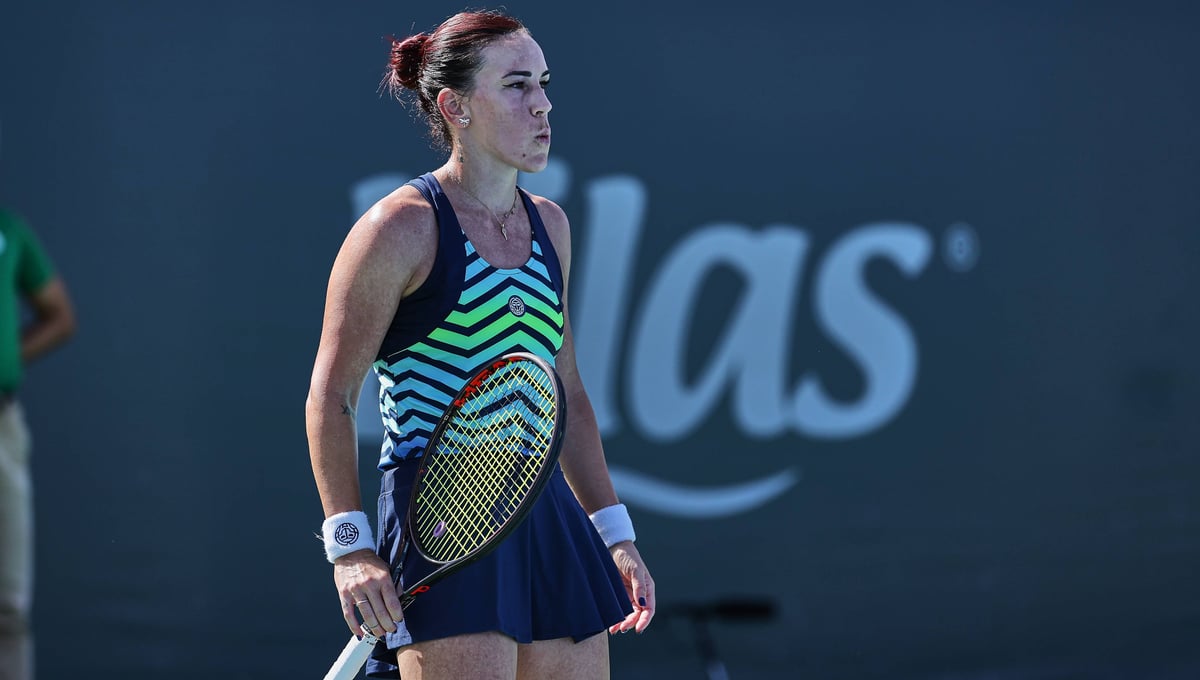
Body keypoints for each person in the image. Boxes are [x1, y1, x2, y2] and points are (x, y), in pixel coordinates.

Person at [305, 9, 655, 679]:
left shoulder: (550, 225)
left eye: (544, 83)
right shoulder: (400, 228)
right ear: (455, 107)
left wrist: (613, 532)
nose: (542, 105)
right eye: (517, 85)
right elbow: (333, 396)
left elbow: (566, 391)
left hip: (546, 510)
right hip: (441, 514)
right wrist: (349, 547)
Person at [0, 205, 76, 680]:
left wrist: (8, 357)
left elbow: (59, 316)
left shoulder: (8, 230)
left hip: (3, 425)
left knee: (8, 603)